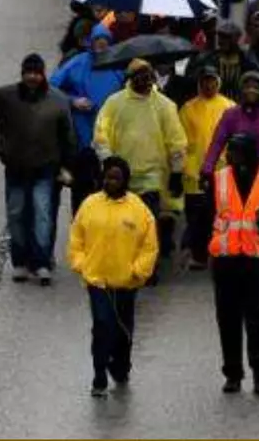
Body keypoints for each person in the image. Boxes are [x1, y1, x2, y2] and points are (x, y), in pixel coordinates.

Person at [0, 54, 76, 283]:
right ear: (22, 73)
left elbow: (68, 135)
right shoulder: (7, 96)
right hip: (16, 167)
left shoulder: (58, 100)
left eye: (36, 73)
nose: (32, 77)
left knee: (43, 216)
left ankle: (42, 261)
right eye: (29, 72)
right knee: (16, 214)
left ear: (43, 74)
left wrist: (66, 166)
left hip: (45, 168)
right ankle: (20, 261)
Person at [67, 156, 158, 398]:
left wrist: (138, 271)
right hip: (97, 281)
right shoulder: (89, 205)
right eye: (108, 177)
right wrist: (81, 265)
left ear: (126, 180)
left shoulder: (139, 210)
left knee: (122, 329)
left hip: (126, 284)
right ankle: (98, 375)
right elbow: (76, 238)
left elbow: (149, 246)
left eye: (117, 178)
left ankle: (120, 365)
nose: (111, 182)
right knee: (101, 326)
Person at [92, 60, 188, 287]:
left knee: (147, 223)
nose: (144, 81)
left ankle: (148, 266)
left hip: (153, 176)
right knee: (122, 222)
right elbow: (101, 134)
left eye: (148, 76)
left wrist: (176, 172)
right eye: (139, 76)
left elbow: (176, 141)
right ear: (130, 78)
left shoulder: (164, 106)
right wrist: (108, 162)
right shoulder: (114, 104)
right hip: (122, 176)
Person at [209, 133, 259, 396]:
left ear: (249, 152)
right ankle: (233, 374)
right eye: (229, 151)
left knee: (258, 321)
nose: (229, 157)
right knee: (227, 320)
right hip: (226, 262)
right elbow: (209, 215)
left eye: (235, 151)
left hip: (257, 262)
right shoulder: (219, 178)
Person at [50, 26, 127, 217]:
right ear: (90, 43)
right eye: (97, 41)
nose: (101, 45)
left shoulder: (118, 66)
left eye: (105, 42)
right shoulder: (77, 63)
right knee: (82, 194)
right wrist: (73, 101)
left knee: (109, 192)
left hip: (110, 142)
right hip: (82, 141)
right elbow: (52, 88)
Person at [179, 62, 233, 271]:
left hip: (222, 170)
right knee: (197, 216)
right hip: (194, 172)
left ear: (218, 82)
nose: (208, 85)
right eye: (205, 82)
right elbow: (182, 141)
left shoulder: (229, 107)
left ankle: (220, 251)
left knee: (221, 213)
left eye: (212, 81)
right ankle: (198, 254)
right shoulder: (188, 108)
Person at [203, 71, 259, 182]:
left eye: (256, 87)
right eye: (247, 87)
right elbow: (216, 144)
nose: (251, 90)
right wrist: (207, 169)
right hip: (236, 176)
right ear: (241, 90)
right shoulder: (230, 115)